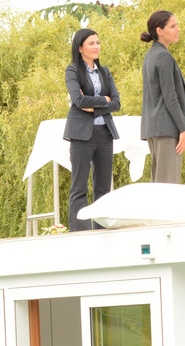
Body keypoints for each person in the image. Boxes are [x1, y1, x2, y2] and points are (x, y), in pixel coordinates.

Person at [64, 28, 121, 232]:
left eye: (97, 42)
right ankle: (80, 234)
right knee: (79, 188)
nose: (96, 46)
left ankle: (103, 233)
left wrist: (94, 105)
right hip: (81, 135)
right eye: (91, 43)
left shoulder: (104, 71)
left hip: (105, 134)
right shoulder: (72, 71)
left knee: (103, 189)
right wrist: (102, 100)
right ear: (80, 48)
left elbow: (116, 103)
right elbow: (78, 100)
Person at [140, 10, 185, 184]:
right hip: (167, 129)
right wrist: (183, 128)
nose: (178, 29)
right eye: (173, 26)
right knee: (168, 187)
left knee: (160, 185)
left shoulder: (151, 55)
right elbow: (170, 96)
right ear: (159, 30)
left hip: (154, 128)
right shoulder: (163, 56)